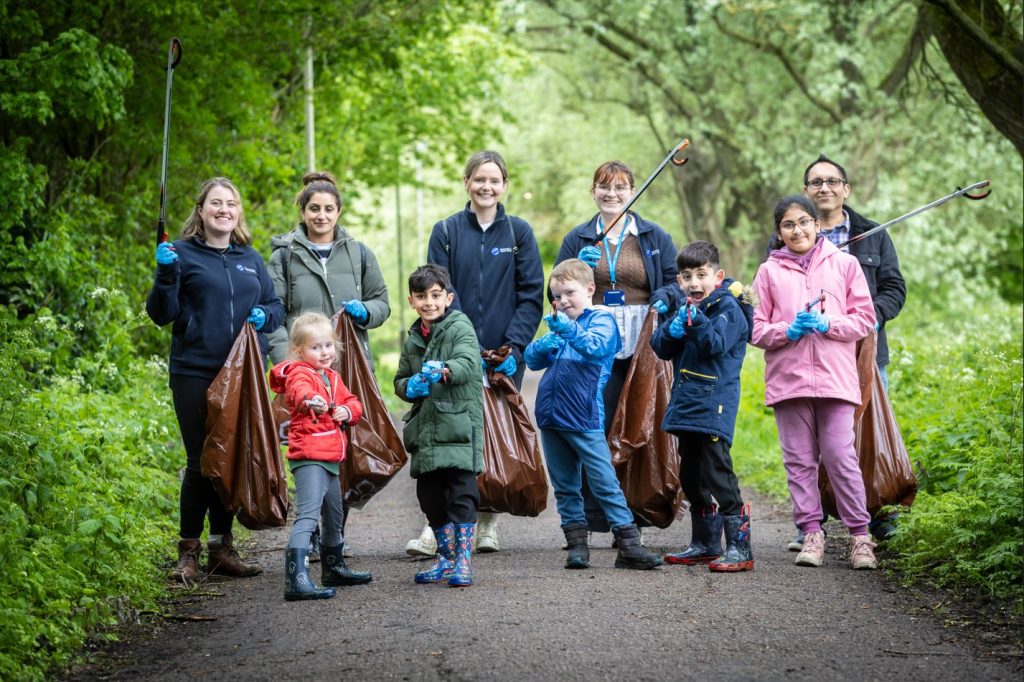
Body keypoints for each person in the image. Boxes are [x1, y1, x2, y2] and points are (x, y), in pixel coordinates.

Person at [147, 177, 285, 583]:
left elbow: (274, 305)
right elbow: (161, 313)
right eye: (216, 203)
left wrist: (265, 318)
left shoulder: (250, 258)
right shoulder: (182, 254)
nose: (224, 209)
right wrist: (166, 273)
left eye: (231, 203)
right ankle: (187, 551)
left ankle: (221, 548)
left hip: (242, 373)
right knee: (200, 461)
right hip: (193, 370)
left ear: (238, 212)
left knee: (229, 459)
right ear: (202, 210)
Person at [408, 150, 543, 555]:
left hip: (503, 356)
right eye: (479, 179)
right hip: (455, 355)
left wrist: (514, 346)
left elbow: (531, 295)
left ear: (504, 186)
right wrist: (463, 346)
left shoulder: (519, 234)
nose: (487, 187)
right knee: (449, 435)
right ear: (467, 182)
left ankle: (487, 524)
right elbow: (438, 292)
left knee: (493, 437)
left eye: (494, 180)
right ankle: (437, 527)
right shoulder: (446, 231)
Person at [266, 171, 391, 559]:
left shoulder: (358, 252)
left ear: (339, 212)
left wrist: (365, 311)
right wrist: (286, 364)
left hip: (348, 365)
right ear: (302, 211)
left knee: (345, 449)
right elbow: (274, 313)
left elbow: (382, 303)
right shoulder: (284, 255)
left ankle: (334, 533)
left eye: (329, 209)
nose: (321, 216)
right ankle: (312, 529)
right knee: (310, 448)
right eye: (314, 209)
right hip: (302, 370)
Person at [751, 196, 878, 570]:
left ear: (816, 224)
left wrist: (829, 324)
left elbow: (865, 320)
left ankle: (860, 537)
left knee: (840, 456)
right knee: (799, 461)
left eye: (804, 222)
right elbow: (756, 329)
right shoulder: (767, 273)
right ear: (779, 232)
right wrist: (786, 331)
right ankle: (811, 532)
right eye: (788, 225)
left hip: (835, 379)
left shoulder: (845, 264)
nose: (798, 230)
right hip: (788, 381)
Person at [555, 160, 678, 541]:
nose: (612, 194)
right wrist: (578, 268)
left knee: (638, 425)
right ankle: (595, 517)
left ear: (632, 191)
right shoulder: (578, 238)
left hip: (642, 345)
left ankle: (634, 516)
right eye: (604, 187)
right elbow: (555, 290)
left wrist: (662, 296)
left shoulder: (653, 235)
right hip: (594, 345)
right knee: (596, 427)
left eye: (621, 187)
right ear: (593, 191)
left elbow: (676, 282)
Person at [795, 154, 907, 547]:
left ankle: (878, 517)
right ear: (806, 191)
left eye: (832, 181)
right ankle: (812, 523)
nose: (824, 188)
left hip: (865, 355)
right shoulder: (792, 234)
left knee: (866, 434)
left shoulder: (874, 234)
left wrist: (865, 319)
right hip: (809, 356)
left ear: (846, 189)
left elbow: (895, 289)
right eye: (816, 182)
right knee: (809, 440)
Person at [524, 259, 663, 571]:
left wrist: (567, 329)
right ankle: (577, 546)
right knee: (565, 485)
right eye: (557, 296)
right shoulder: (563, 326)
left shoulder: (601, 320)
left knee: (602, 480)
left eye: (569, 293)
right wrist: (549, 339)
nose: (562, 302)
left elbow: (596, 347)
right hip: (550, 414)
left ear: (589, 290)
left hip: (583, 416)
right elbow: (531, 359)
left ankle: (628, 544)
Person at [650, 241, 754, 572]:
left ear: (718, 276)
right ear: (678, 280)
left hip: (715, 406)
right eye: (686, 276)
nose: (694, 283)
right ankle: (706, 542)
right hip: (687, 405)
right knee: (691, 475)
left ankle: (740, 547)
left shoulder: (728, 309)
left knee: (717, 472)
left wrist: (695, 324)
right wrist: (673, 326)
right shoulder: (685, 308)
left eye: (701, 275)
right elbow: (661, 348)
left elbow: (715, 345)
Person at [269, 313, 372, 600]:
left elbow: (352, 401)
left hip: (330, 458)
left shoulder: (332, 377)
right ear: (299, 351)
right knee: (308, 515)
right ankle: (296, 578)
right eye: (316, 347)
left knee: (334, 514)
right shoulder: (299, 374)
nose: (324, 352)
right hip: (310, 457)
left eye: (328, 345)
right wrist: (312, 401)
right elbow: (300, 393)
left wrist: (347, 411)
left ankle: (333, 567)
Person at [394, 264, 485, 587]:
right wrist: (408, 387)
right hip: (427, 429)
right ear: (411, 301)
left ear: (448, 298)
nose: (428, 303)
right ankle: (445, 558)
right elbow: (401, 379)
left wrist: (445, 368)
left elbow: (468, 362)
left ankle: (463, 561)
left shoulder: (460, 327)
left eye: (435, 296)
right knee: (429, 496)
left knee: (462, 493)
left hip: (459, 424)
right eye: (421, 297)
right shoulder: (413, 339)